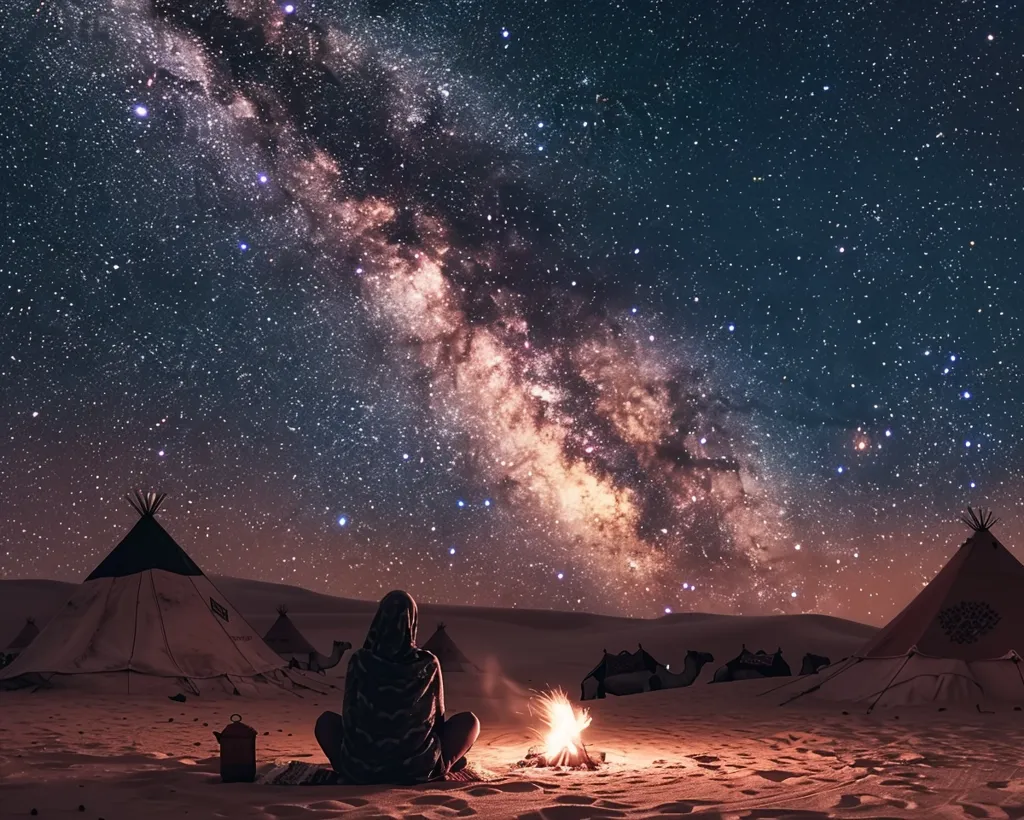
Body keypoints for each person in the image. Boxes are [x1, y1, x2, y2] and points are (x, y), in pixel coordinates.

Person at [315, 590, 480, 784]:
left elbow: (350, 715)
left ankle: (349, 769)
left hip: (362, 768)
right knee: (469, 722)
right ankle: (444, 766)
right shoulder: (427, 662)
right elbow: (437, 718)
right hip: (417, 767)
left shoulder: (360, 660)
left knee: (326, 722)